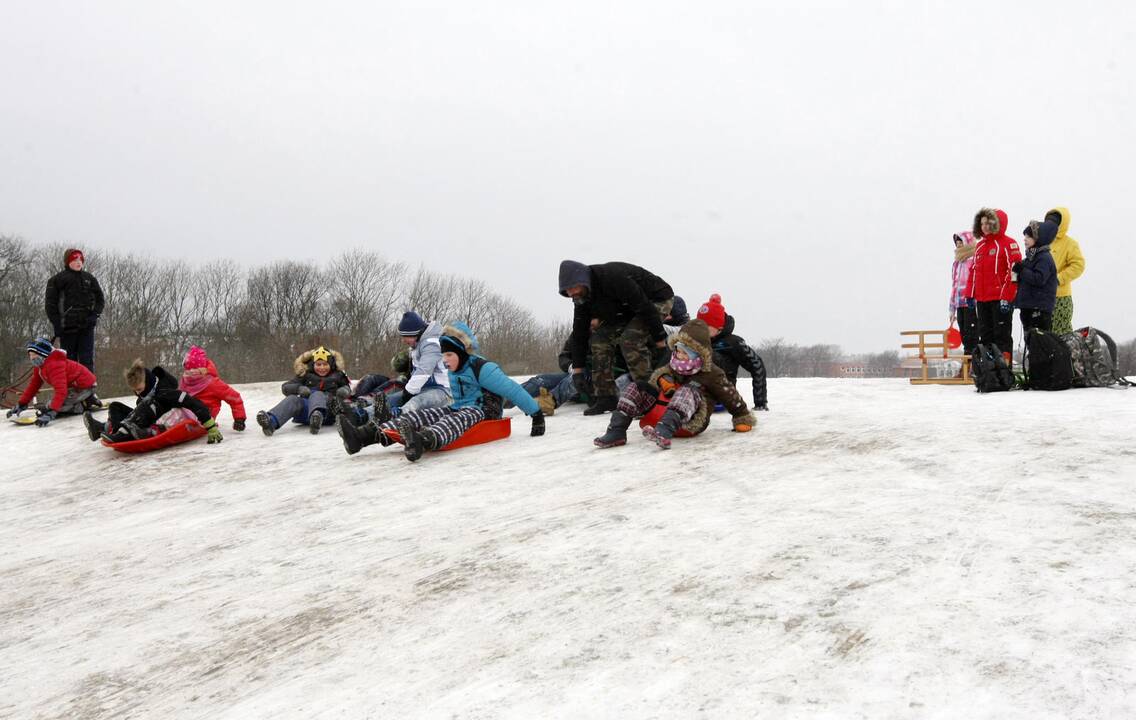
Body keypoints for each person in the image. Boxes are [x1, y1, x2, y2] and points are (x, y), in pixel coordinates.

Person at [338, 322, 545, 461]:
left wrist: (536, 415)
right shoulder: (454, 368)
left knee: (457, 418)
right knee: (424, 414)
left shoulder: (483, 368)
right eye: (442, 355)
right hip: (460, 407)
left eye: (448, 354)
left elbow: (512, 390)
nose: (444, 360)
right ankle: (362, 437)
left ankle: (422, 440)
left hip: (484, 412)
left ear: (462, 352)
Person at [593, 318, 756, 450]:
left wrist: (742, 416)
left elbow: (729, 394)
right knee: (637, 386)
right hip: (661, 412)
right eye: (677, 350)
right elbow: (657, 377)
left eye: (685, 353)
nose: (679, 355)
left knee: (688, 390)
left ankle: (664, 431)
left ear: (698, 353)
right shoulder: (674, 363)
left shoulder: (712, 372)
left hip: (691, 421)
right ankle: (617, 431)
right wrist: (663, 379)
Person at [558, 260, 674, 415]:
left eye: (573, 288)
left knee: (630, 339)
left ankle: (648, 395)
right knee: (599, 340)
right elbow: (579, 333)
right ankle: (606, 397)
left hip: (656, 299)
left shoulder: (612, 278)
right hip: (624, 309)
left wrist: (660, 342)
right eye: (567, 291)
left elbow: (644, 307)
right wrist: (578, 370)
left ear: (583, 280)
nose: (571, 293)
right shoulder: (582, 297)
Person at [85, 359, 221, 444]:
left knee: (147, 404)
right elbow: (137, 413)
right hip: (144, 419)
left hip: (162, 420)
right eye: (135, 391)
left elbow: (191, 402)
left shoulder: (165, 392)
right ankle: (106, 429)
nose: (138, 393)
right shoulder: (147, 395)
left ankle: (124, 433)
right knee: (115, 406)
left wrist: (210, 425)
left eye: (139, 389)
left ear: (149, 382)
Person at [697, 293, 770, 411]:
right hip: (695, 393)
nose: (701, 329)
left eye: (706, 326)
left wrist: (760, 402)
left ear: (718, 327)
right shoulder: (696, 339)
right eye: (699, 325)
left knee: (709, 355)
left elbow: (757, 365)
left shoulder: (733, 343)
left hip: (721, 395)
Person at [255, 346, 350, 436]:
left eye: (325, 364)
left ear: (331, 365)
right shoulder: (306, 374)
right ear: (313, 365)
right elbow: (286, 387)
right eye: (318, 364)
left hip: (327, 411)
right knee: (292, 399)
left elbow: (348, 388)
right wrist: (298, 388)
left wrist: (344, 391)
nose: (322, 368)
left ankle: (316, 417)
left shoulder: (337, 375)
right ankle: (271, 422)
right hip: (305, 411)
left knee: (317, 394)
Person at [6, 337, 98, 426]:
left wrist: (51, 413)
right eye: (30, 355)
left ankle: (85, 403)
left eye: (34, 355)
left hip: (84, 387)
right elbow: (33, 386)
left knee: (56, 406)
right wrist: (22, 403)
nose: (32, 358)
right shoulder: (40, 367)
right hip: (73, 387)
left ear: (42, 354)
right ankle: (81, 401)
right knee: (51, 405)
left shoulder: (54, 365)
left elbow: (61, 391)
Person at [968, 208, 1021, 364]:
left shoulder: (1009, 244)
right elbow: (973, 272)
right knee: (985, 336)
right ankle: (988, 371)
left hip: (1000, 300)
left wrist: (1007, 297)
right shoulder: (980, 246)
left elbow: (1014, 273)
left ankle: (1004, 371)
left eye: (988, 222)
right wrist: (970, 294)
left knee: (1002, 336)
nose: (984, 226)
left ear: (997, 224)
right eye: (982, 223)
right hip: (982, 300)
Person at [45, 248, 104, 373]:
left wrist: (94, 315)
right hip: (67, 327)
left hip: (87, 326)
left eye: (80, 259)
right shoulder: (57, 280)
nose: (78, 262)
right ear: (67, 262)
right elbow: (50, 305)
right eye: (74, 259)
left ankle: (88, 388)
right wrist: (57, 324)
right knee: (69, 360)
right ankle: (71, 388)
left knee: (87, 359)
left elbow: (100, 299)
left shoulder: (89, 278)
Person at [387, 311, 452, 416]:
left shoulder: (432, 344)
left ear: (415, 334)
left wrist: (408, 393)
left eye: (405, 336)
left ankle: (399, 417)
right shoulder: (417, 344)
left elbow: (423, 371)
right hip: (423, 389)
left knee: (415, 403)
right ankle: (362, 415)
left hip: (443, 392)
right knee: (390, 400)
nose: (403, 340)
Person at [179, 346, 247, 431]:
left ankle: (174, 423)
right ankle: (164, 424)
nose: (190, 375)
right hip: (188, 411)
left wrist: (239, 419)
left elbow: (234, 397)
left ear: (201, 370)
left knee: (180, 412)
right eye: (188, 372)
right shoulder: (186, 380)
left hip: (206, 416)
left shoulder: (212, 383)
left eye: (193, 372)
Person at [1044, 206, 1086, 334]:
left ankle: (1069, 354)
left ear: (1061, 225)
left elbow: (1078, 265)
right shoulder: (1042, 242)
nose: (1050, 226)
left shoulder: (1070, 243)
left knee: (1062, 335)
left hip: (1060, 298)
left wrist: (1059, 278)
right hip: (1041, 297)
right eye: (1047, 223)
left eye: (1053, 224)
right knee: (1044, 336)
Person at [1013, 221, 1059, 333]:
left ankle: (1039, 351)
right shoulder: (1030, 258)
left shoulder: (1044, 258)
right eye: (1024, 236)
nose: (1025, 239)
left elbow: (1039, 279)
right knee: (1031, 338)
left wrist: (1022, 270)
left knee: (1039, 339)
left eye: (1028, 236)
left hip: (1039, 307)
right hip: (1029, 306)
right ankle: (1033, 350)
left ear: (1038, 238)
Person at [950, 231, 980, 355]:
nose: (958, 245)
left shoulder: (974, 260)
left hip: (971, 303)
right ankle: (967, 365)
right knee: (964, 336)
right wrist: (952, 309)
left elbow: (977, 282)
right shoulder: (956, 263)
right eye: (956, 243)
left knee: (972, 336)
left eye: (961, 242)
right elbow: (954, 287)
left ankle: (973, 366)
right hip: (959, 305)